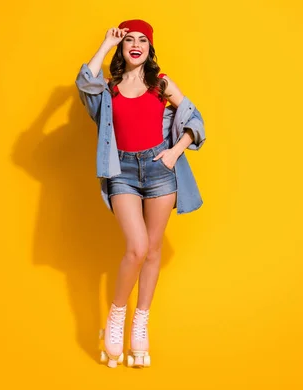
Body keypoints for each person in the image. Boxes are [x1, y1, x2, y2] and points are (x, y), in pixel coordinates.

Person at [74, 19, 206, 368]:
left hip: (159, 168)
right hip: (122, 172)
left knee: (152, 250)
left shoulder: (161, 85)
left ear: (149, 48)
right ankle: (116, 316)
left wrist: (174, 152)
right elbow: (84, 83)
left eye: (142, 40)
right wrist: (104, 43)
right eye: (128, 39)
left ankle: (140, 321)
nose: (135, 44)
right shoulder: (109, 88)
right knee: (136, 247)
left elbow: (196, 122)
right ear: (122, 47)